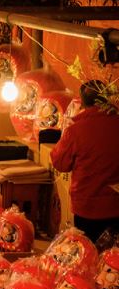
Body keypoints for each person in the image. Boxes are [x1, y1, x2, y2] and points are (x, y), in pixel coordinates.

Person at [51, 80, 119, 243]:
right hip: (116, 204)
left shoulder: (75, 130)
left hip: (87, 205)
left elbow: (61, 163)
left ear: (81, 102)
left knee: (88, 254)